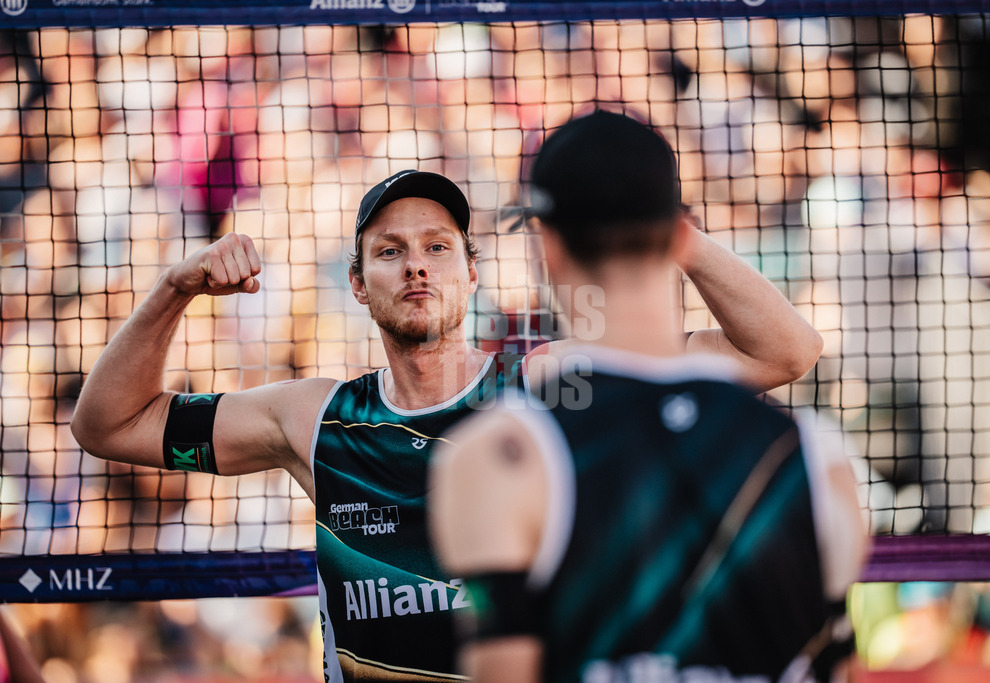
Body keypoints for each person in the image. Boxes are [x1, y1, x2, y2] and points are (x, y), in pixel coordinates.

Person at [71, 162, 822, 681]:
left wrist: (676, 238)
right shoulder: (316, 418)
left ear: (471, 271)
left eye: (438, 247)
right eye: (390, 252)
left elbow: (783, 351)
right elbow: (108, 424)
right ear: (360, 286)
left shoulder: (548, 384)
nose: (417, 266)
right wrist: (175, 289)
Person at [428, 111, 869, 683]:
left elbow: (791, 349)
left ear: (548, 246)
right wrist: (671, 230)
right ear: (680, 232)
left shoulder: (496, 456)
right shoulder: (819, 457)